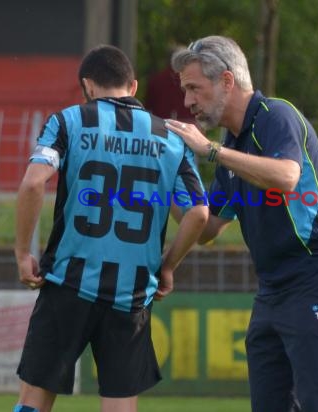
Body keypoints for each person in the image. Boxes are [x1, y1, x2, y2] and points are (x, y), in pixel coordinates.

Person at [165, 35, 318, 412]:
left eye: (194, 88)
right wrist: (166, 179)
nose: (188, 101)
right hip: (273, 289)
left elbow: (287, 176)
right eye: (185, 90)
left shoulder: (276, 115)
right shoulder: (233, 143)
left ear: (226, 81)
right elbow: (207, 227)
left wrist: (210, 151)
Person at [13, 45, 208, 412]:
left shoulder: (69, 121)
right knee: (119, 404)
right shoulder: (171, 137)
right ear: (133, 86)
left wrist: (24, 253)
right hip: (131, 292)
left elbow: (33, 184)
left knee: (34, 398)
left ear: (88, 86)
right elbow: (198, 213)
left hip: (68, 284)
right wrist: (167, 265)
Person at [144, 45, 194, 122]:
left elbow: (148, 108)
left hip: (160, 124)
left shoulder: (156, 79)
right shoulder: (157, 80)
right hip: (184, 124)